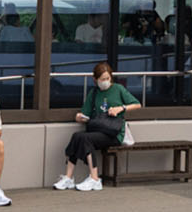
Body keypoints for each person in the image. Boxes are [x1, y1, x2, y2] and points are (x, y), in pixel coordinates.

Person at [53, 62, 139, 192]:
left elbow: (137, 104)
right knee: (77, 136)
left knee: (86, 139)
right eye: (102, 79)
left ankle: (95, 179)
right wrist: (79, 117)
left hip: (114, 133)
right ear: (95, 80)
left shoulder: (118, 89)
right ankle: (68, 177)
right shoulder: (93, 93)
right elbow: (85, 113)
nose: (105, 82)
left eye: (107, 79)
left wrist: (120, 108)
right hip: (98, 130)